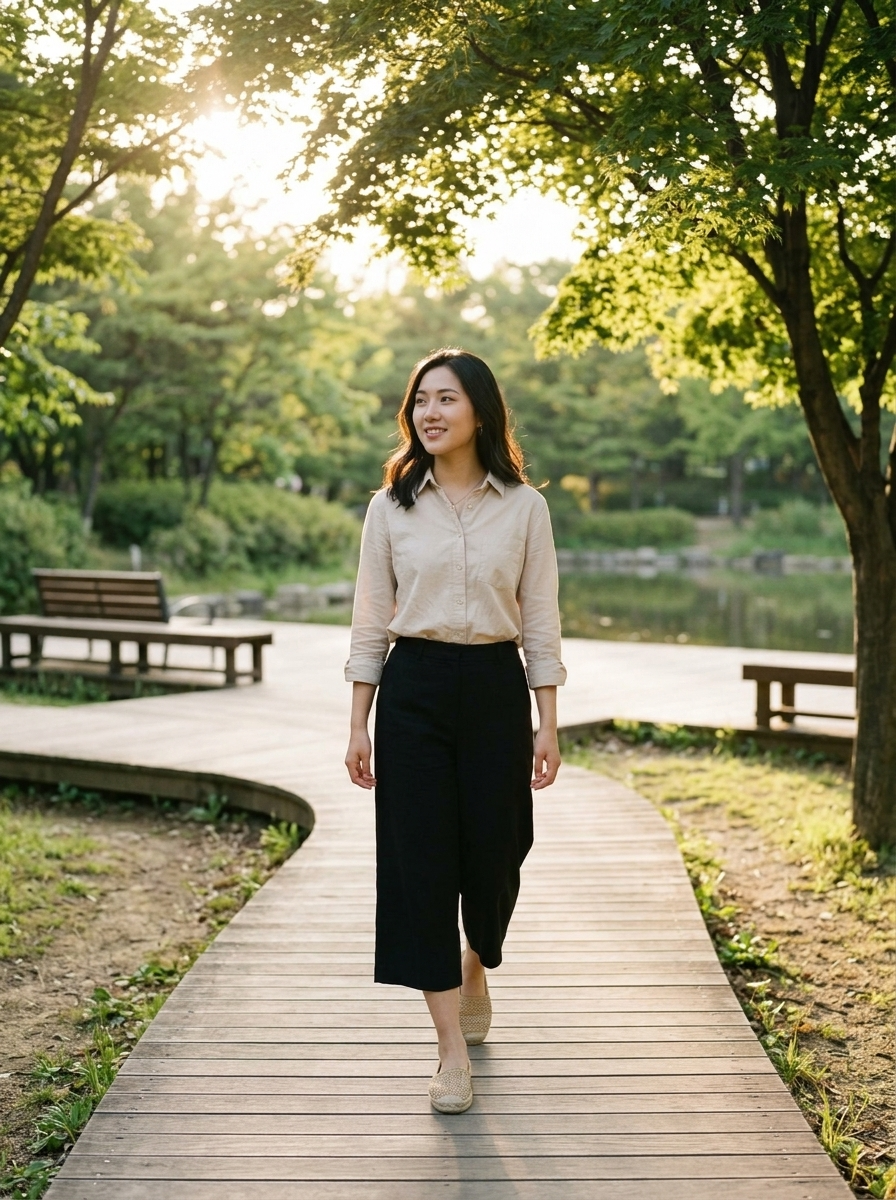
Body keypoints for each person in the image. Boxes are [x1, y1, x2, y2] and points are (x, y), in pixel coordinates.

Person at [344, 347, 566, 1114]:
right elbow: (371, 619)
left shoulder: (525, 507)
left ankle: (478, 963)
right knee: (421, 865)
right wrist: (358, 724)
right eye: (420, 402)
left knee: (501, 854)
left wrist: (548, 722)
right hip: (415, 691)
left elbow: (540, 619)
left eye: (446, 400)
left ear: (479, 410)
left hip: (497, 690)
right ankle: (448, 1053)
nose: (429, 413)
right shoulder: (390, 507)